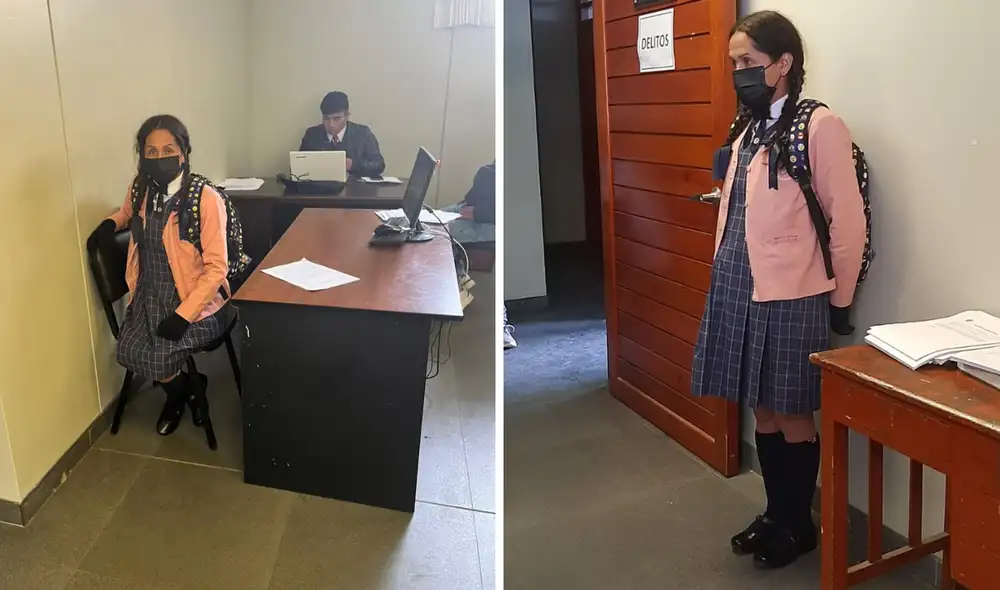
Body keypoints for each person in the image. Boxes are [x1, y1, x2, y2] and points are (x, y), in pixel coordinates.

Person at [689, 11, 866, 569]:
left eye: (749, 61)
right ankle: (774, 514)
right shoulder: (746, 125)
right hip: (738, 282)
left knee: (791, 411)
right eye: (733, 63)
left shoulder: (819, 125)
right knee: (760, 408)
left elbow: (847, 221)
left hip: (792, 291)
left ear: (783, 63)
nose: (738, 72)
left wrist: (840, 303)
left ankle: (798, 524)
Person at [87, 115, 234, 437]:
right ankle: (186, 389)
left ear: (184, 151)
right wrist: (110, 224)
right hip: (149, 291)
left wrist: (183, 315)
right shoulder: (140, 187)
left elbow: (216, 269)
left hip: (196, 300)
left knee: (161, 353)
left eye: (168, 149)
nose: (159, 157)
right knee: (128, 350)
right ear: (141, 155)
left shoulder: (204, 199)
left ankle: (179, 393)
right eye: (150, 151)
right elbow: (127, 213)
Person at [299, 91, 385, 177]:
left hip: (355, 184)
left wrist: (353, 165)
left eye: (336, 119)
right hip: (320, 184)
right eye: (326, 118)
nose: (331, 124)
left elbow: (379, 165)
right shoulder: (312, 134)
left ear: (347, 116)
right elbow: (300, 165)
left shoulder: (363, 133)